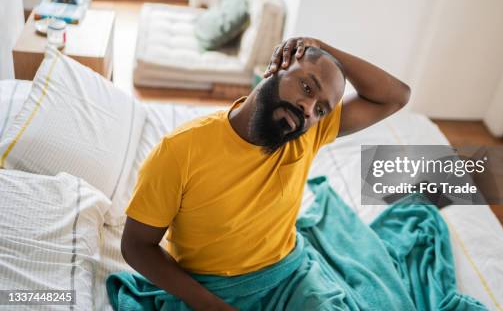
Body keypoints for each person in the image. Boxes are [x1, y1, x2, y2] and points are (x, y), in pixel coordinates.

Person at [120, 37, 411, 310]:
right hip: (210, 289)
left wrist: (322, 47)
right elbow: (136, 246)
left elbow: (396, 96)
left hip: (290, 276)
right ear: (276, 67)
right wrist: (213, 307)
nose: (308, 108)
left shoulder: (308, 131)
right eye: (307, 87)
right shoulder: (179, 150)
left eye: (321, 109)